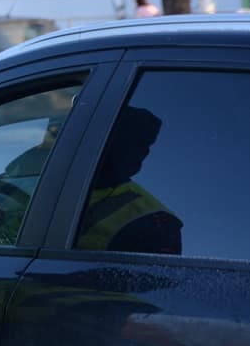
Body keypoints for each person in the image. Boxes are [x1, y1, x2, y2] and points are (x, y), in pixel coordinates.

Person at [75, 106, 182, 254]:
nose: (144, 151)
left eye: (145, 144)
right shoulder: (53, 182)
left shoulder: (156, 222)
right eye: (135, 141)